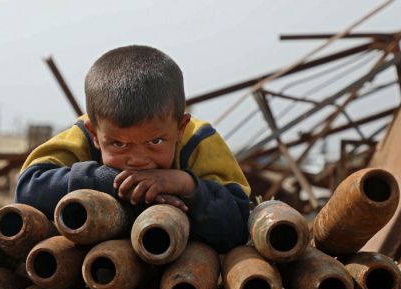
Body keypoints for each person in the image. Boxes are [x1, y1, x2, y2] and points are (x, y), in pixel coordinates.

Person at [15, 45, 252, 252]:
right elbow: (28, 189)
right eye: (118, 144)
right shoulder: (83, 136)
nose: (138, 160)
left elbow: (238, 224)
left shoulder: (199, 140)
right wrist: (109, 181)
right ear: (94, 134)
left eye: (155, 142)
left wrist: (186, 185)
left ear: (180, 128)